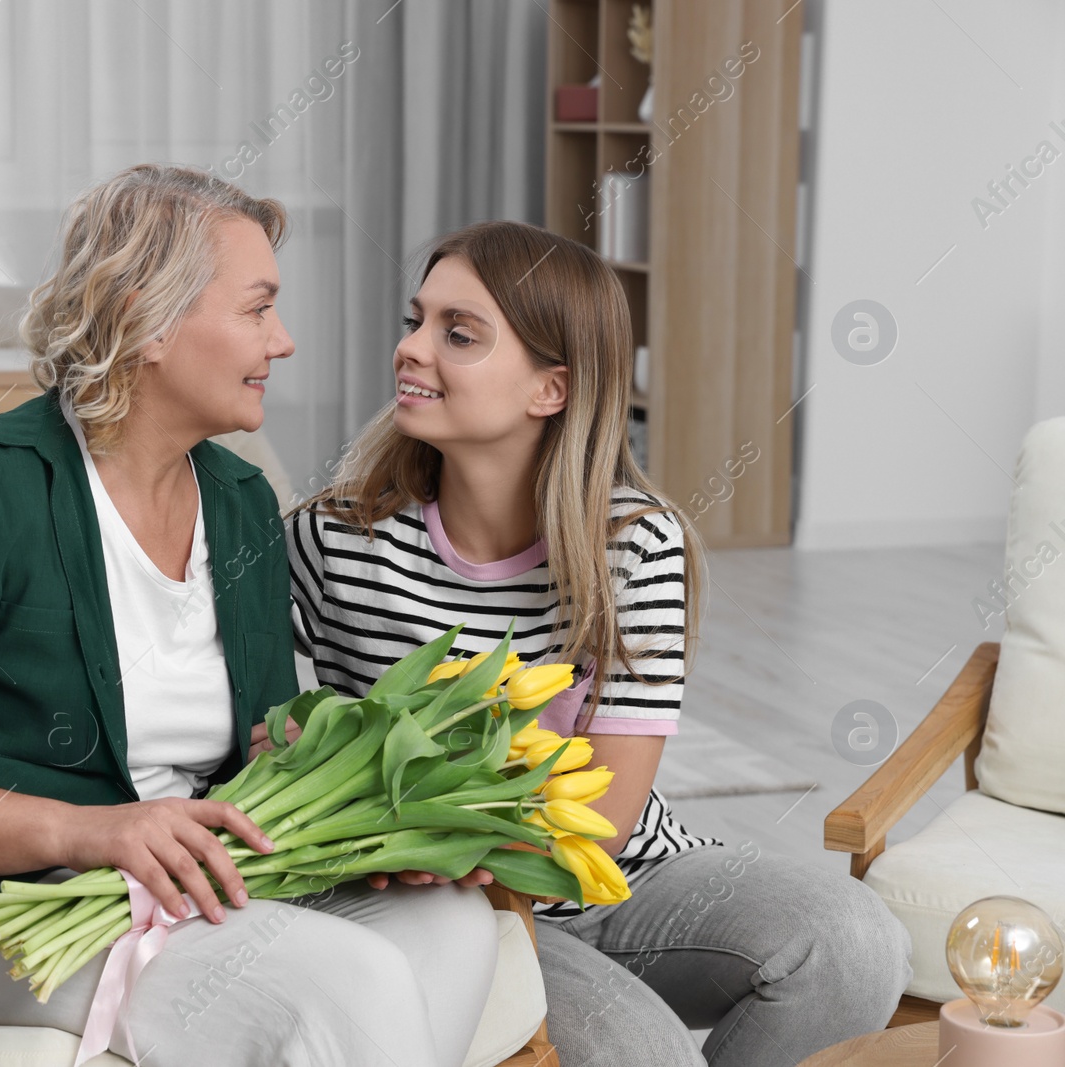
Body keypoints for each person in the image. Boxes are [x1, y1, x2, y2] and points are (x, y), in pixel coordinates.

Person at [0, 164, 503, 1067]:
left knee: (453, 920)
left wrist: (356, 827)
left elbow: (257, 755)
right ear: (148, 319)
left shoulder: (238, 501)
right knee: (351, 980)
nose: (284, 341)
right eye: (257, 308)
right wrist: (89, 831)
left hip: (168, 887)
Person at [285, 220, 914, 1067]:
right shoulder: (335, 537)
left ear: (552, 389)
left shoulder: (636, 544)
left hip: (606, 874)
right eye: (416, 320)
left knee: (853, 940)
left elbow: (609, 818)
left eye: (458, 334)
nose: (411, 349)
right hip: (444, 904)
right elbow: (256, 721)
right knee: (647, 1056)